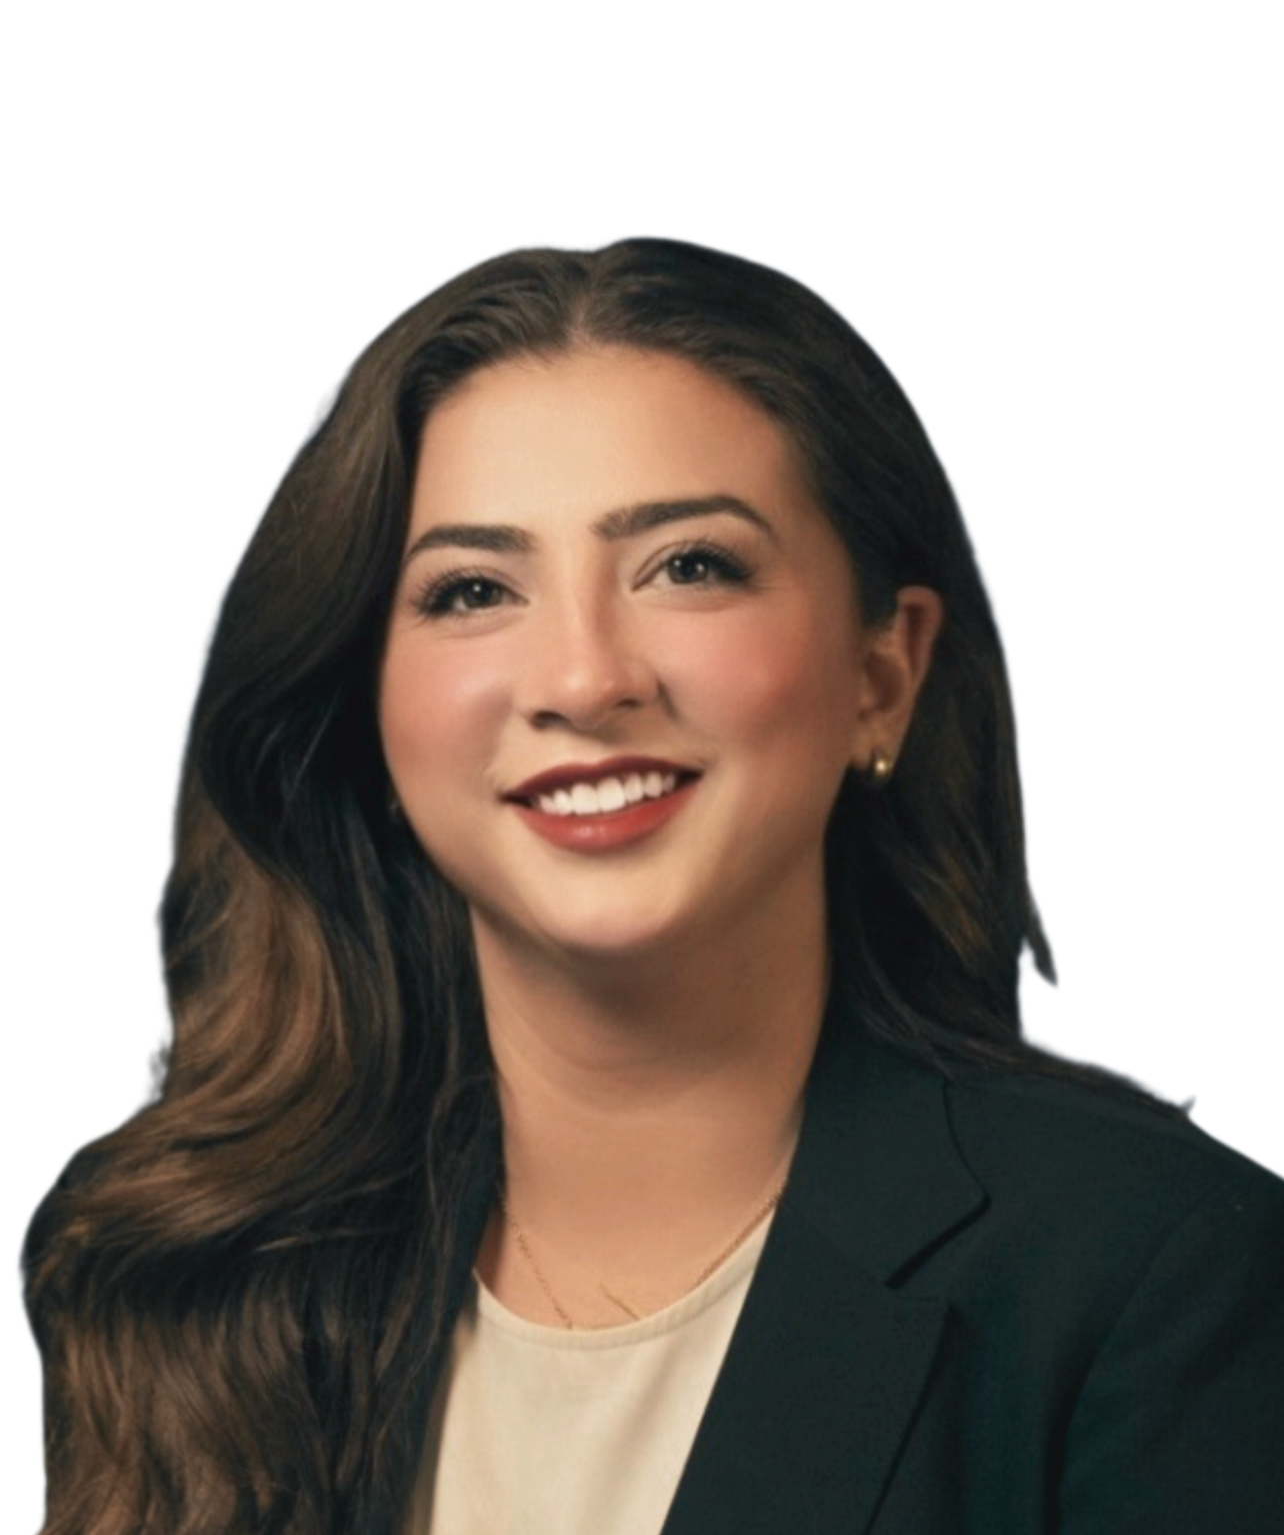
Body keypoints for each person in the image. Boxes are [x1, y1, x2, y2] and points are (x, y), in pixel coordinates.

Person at [23, 239, 1284, 1535]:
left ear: (883, 674)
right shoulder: (168, 1271)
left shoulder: (1160, 1272)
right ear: (371, 713)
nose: (582, 677)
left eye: (690, 564)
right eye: (471, 589)